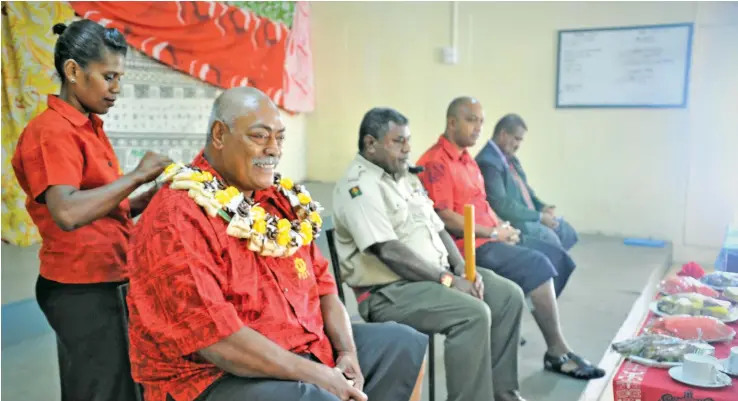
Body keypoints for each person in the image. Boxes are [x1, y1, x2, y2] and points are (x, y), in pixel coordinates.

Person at [125, 88, 428, 401]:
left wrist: (347, 354)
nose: (273, 150)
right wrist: (320, 375)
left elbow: (325, 290)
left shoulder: (282, 201)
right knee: (315, 397)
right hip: (215, 377)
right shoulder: (178, 212)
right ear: (219, 134)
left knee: (403, 345)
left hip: (304, 348)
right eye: (260, 136)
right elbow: (218, 342)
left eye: (280, 138)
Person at [11, 20, 172, 401]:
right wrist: (135, 176)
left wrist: (143, 198)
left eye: (119, 77)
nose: (116, 88)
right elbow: (66, 212)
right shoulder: (52, 131)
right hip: (80, 288)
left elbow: (98, 206)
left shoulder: (87, 127)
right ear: (73, 71)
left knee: (117, 384)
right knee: (101, 389)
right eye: (108, 76)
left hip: (106, 277)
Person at [332, 107, 528, 401]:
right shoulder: (359, 186)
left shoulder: (405, 177)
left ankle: (504, 395)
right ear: (371, 144)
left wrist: (463, 268)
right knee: (472, 313)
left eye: (408, 140)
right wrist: (449, 280)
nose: (408, 149)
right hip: (388, 292)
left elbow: (437, 228)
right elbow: (387, 250)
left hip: (432, 278)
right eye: (398, 141)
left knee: (509, 296)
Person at [416, 97, 605, 380]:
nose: (479, 128)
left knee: (553, 254)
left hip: (489, 237)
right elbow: (443, 217)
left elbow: (483, 204)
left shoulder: (467, 159)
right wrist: (493, 233)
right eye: (471, 120)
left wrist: (501, 226)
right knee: (538, 265)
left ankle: (520, 326)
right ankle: (557, 351)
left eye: (481, 121)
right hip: (463, 248)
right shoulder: (436, 162)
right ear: (452, 122)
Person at [476, 114, 578, 250]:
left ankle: (552, 266)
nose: (518, 145)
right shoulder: (488, 162)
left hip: (528, 216)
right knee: (550, 238)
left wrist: (542, 207)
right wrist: (539, 217)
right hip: (514, 223)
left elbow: (526, 191)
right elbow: (502, 206)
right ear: (503, 134)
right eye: (517, 139)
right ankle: (550, 265)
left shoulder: (510, 158)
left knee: (566, 231)